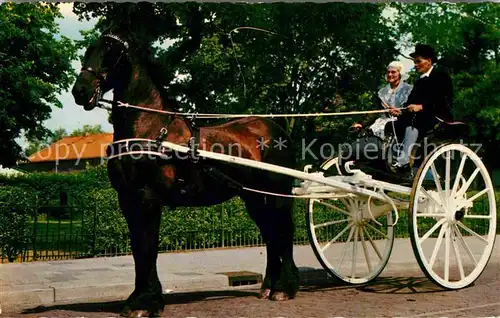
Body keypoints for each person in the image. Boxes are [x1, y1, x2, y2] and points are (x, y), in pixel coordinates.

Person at [391, 44, 454, 169]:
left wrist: (422, 107)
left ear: (429, 61)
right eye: (415, 62)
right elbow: (410, 102)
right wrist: (400, 110)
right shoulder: (419, 81)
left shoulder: (442, 77)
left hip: (439, 118)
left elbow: (445, 101)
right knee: (394, 123)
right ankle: (390, 160)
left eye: (418, 61)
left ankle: (403, 162)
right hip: (420, 117)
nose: (415, 65)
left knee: (413, 122)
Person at [351, 61, 412, 140]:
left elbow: (412, 110)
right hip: (383, 123)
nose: (390, 75)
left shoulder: (409, 90)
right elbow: (375, 112)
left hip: (402, 123)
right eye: (388, 72)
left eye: (393, 72)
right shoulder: (382, 92)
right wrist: (361, 123)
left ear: (400, 74)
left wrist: (400, 112)